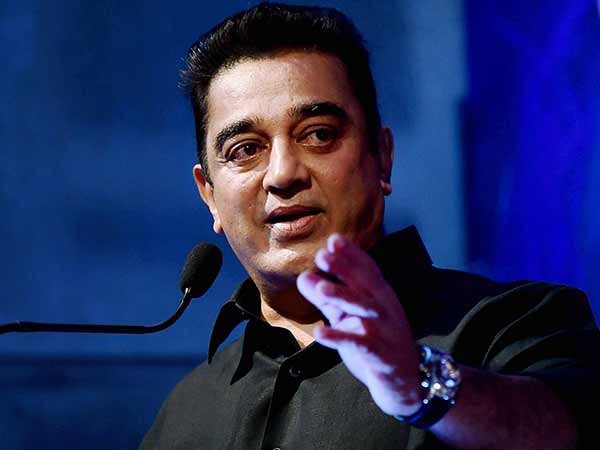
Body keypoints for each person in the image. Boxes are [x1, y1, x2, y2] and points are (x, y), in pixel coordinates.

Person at [140, 3, 600, 449]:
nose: (282, 174)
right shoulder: (186, 409)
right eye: (245, 149)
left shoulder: (518, 322)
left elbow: (566, 431)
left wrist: (418, 383)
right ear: (210, 196)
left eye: (318, 134)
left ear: (382, 158)